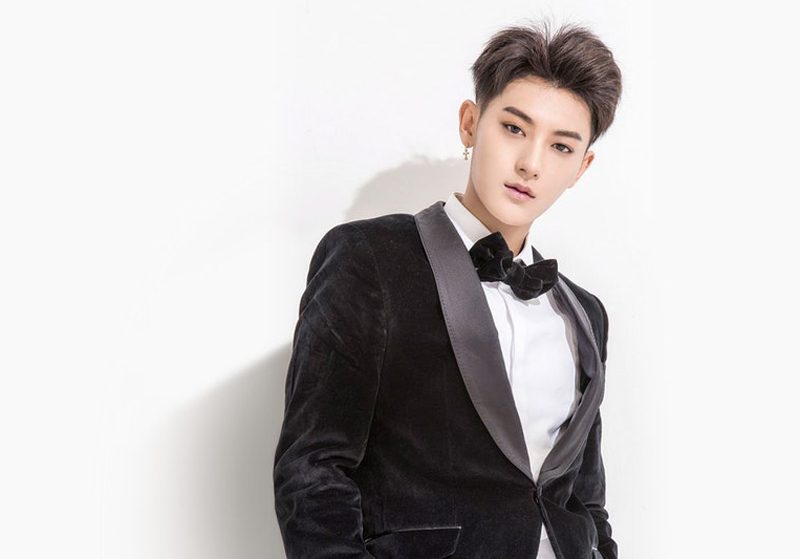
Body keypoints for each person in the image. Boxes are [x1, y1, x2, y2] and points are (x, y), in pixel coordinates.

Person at [273, 19, 623, 559]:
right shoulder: (370, 261)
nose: (530, 164)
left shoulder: (585, 313)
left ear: (582, 166)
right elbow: (313, 470)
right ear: (470, 124)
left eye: (560, 146)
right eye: (514, 128)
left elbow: (584, 496)